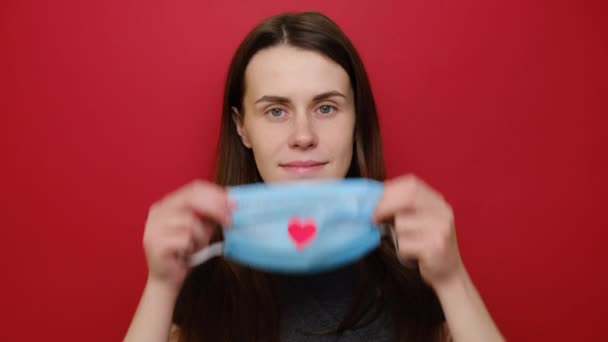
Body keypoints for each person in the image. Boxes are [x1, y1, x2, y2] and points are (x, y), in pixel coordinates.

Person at [124, 11, 504, 342]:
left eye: (325, 107)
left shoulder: (419, 268)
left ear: (357, 121)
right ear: (242, 128)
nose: (303, 136)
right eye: (276, 111)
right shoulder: (201, 277)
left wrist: (453, 280)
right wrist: (159, 287)